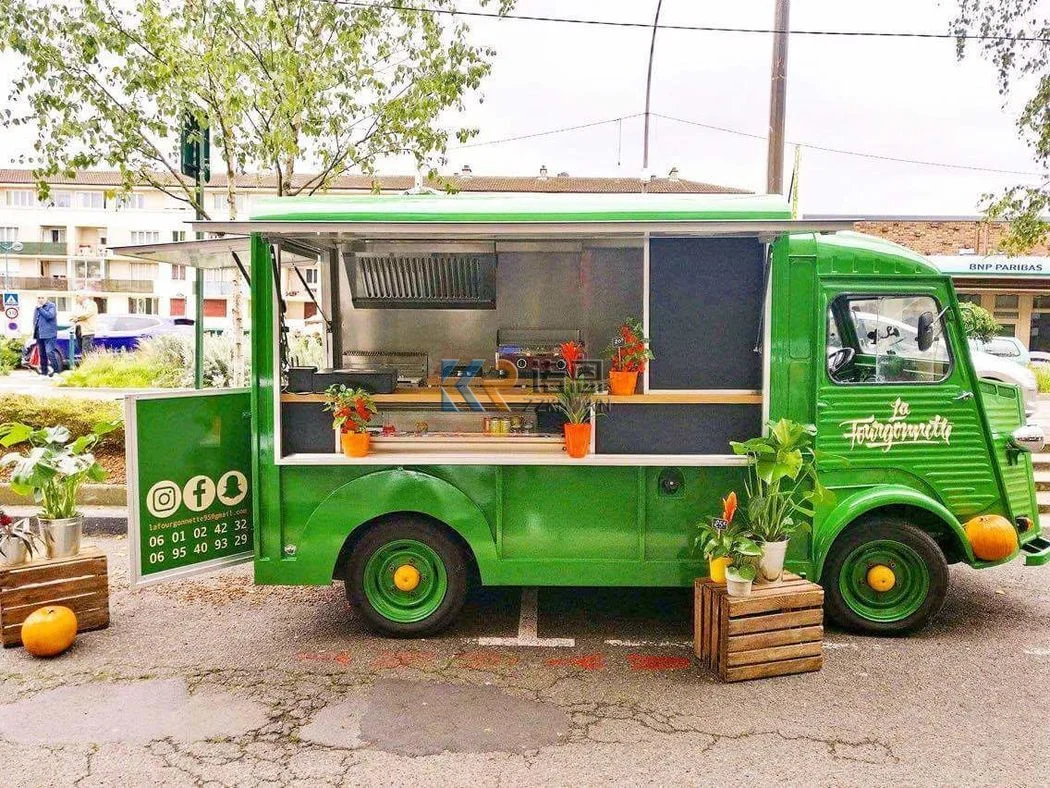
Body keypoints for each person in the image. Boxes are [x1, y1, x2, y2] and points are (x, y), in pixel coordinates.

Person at [32, 296, 59, 377]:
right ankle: (44, 373)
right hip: (39, 334)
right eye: (38, 298)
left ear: (46, 298)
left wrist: (40, 309)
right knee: (42, 354)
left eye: (42, 297)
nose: (40, 299)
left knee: (50, 352)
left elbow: (50, 316)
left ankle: (56, 372)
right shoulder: (36, 307)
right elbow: (35, 320)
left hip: (49, 334)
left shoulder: (51, 306)